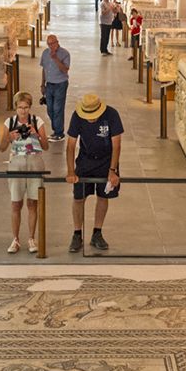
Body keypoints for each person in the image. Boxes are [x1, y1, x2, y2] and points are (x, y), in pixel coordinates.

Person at [65, 92, 122, 253]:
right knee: (78, 197)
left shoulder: (112, 114)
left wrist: (113, 171)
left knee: (103, 196)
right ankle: (77, 233)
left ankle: (97, 232)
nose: (91, 119)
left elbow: (116, 145)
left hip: (106, 161)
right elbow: (70, 145)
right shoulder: (76, 116)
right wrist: (70, 171)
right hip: (85, 160)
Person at [0, 91, 48, 253]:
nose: (23, 111)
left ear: (30, 107)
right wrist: (9, 137)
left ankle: (31, 239)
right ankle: (15, 239)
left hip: (35, 163)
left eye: (26, 107)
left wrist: (36, 134)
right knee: (15, 203)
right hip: (17, 163)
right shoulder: (9, 122)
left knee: (33, 202)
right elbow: (1, 148)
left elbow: (46, 146)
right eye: (20, 107)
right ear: (15, 108)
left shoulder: (37, 121)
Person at [40, 34, 70, 141]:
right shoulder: (45, 53)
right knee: (50, 109)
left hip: (60, 84)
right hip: (49, 85)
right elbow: (44, 69)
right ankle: (56, 130)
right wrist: (42, 84)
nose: (51, 46)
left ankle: (59, 133)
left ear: (57, 42)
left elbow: (65, 69)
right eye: (49, 44)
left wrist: (56, 58)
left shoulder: (64, 53)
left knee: (58, 109)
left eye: (53, 43)